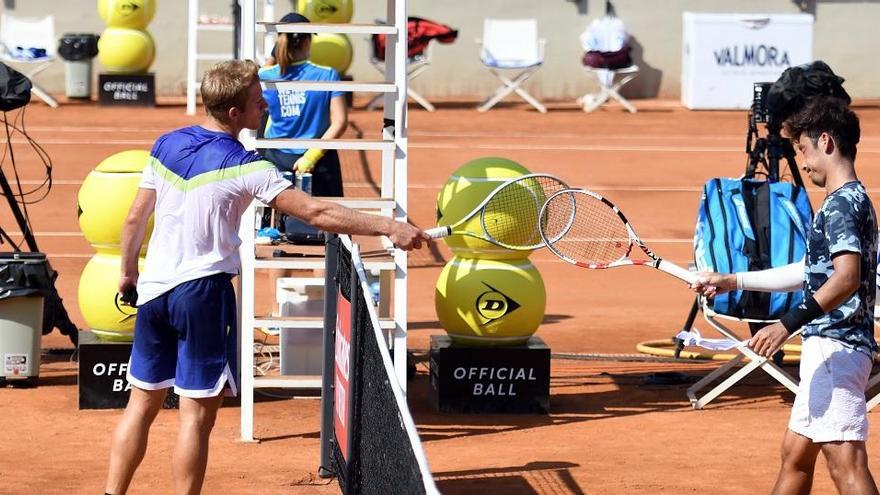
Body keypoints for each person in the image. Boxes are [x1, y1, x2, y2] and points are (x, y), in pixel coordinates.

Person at [103, 59, 427, 495]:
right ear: (235, 113)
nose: (266, 106)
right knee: (196, 418)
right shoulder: (248, 166)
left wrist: (128, 273)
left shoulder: (166, 144)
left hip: (155, 291)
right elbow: (317, 212)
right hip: (202, 293)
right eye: (258, 102)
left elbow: (132, 221)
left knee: (140, 406)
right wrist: (390, 226)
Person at [692, 96, 879, 495]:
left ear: (825, 141)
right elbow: (812, 274)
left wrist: (785, 325)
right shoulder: (847, 200)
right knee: (795, 457)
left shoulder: (843, 204)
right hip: (831, 350)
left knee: (847, 463)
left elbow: (846, 278)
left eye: (803, 149)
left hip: (836, 349)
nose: (803, 161)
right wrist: (734, 280)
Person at [259, 12, 347, 198]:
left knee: (272, 221)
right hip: (318, 160)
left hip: (276, 158)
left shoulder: (264, 77)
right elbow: (340, 122)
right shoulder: (327, 75)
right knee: (327, 219)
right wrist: (311, 156)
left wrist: (275, 55)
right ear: (307, 42)